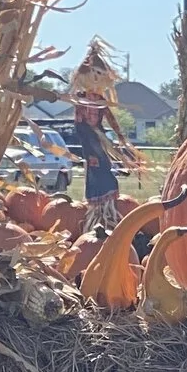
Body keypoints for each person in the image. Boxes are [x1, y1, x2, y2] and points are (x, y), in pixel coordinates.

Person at [66, 40, 138, 232]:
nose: (97, 80)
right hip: (88, 136)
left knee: (103, 164)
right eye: (94, 75)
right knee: (95, 164)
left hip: (99, 134)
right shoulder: (81, 99)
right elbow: (79, 122)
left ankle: (107, 201)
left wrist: (119, 135)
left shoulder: (100, 100)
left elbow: (110, 117)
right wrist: (88, 132)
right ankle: (97, 203)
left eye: (100, 76)